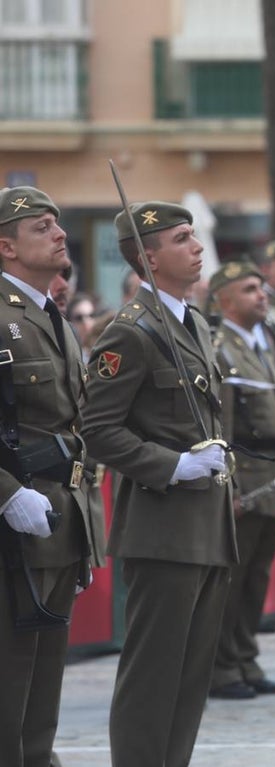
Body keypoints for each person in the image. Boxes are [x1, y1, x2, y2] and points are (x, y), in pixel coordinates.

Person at [83, 201, 234, 767]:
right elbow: (97, 430)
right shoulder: (130, 331)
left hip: (207, 525)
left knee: (190, 680)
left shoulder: (191, 323)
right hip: (162, 525)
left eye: (195, 234)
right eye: (181, 238)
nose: (196, 247)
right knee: (153, 677)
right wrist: (172, 465)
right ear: (149, 257)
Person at [0, 186, 104, 766]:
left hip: (59, 522)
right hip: (12, 526)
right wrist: (7, 494)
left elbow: (73, 425)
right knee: (9, 682)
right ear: (6, 246)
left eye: (59, 224)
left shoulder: (53, 318)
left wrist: (82, 533)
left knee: (43, 686)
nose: (60, 234)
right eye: (42, 227)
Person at [206, 262, 275, 699]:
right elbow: (219, 427)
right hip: (245, 480)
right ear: (225, 301)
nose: (261, 295)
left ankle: (246, 658)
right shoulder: (222, 348)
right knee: (232, 582)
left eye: (261, 288)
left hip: (273, 478)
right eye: (248, 289)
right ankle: (222, 668)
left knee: (256, 577)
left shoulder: (265, 342)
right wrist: (231, 488)